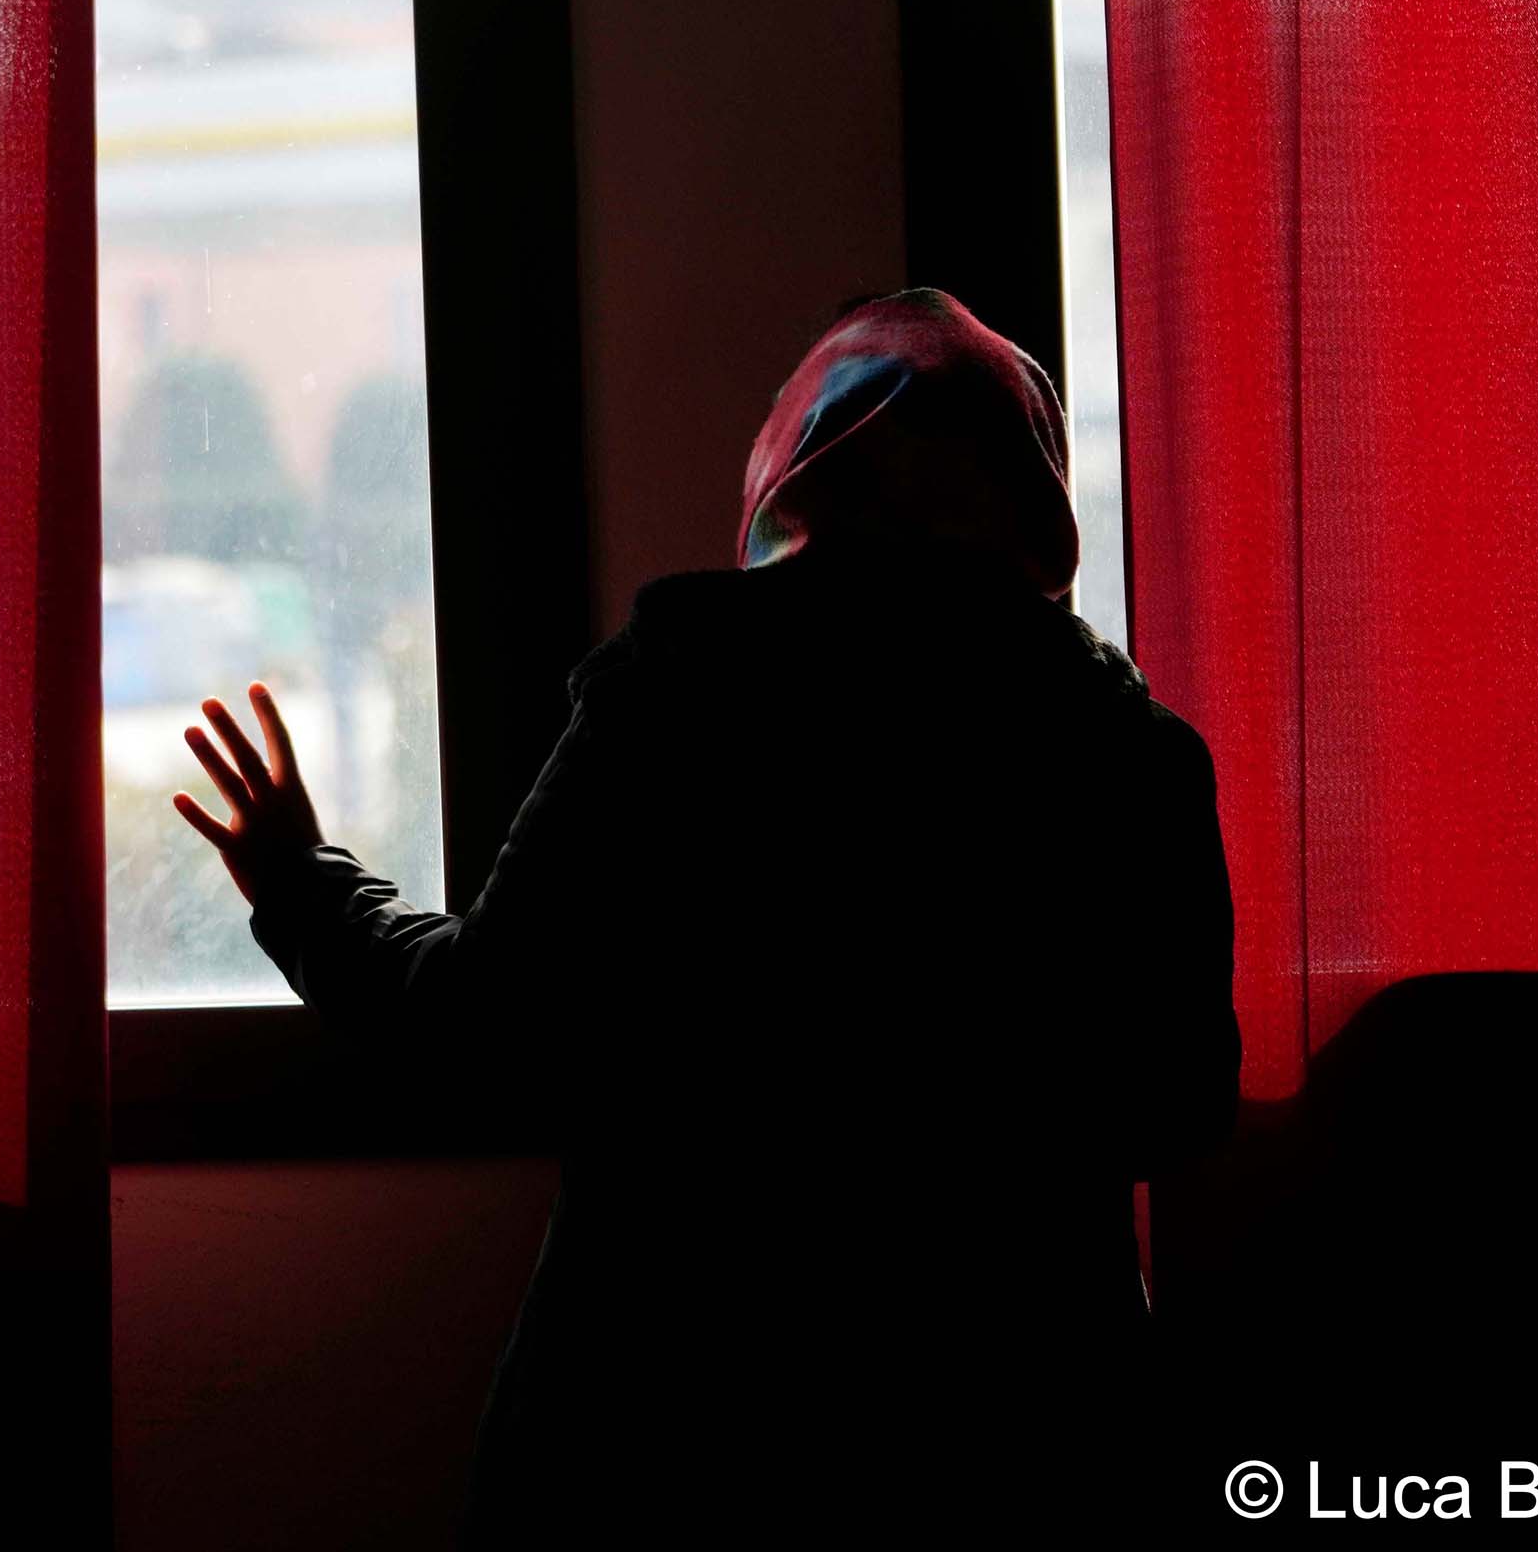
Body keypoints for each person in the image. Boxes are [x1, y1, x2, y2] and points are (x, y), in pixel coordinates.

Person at [170, 289, 1237, 1537]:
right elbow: (1182, 1105)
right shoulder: (1135, 754)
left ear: (794, 477)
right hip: (1029, 1442)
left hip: (659, 1432)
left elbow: (478, 1026)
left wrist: (302, 880)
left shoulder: (677, 700)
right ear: (1031, 494)